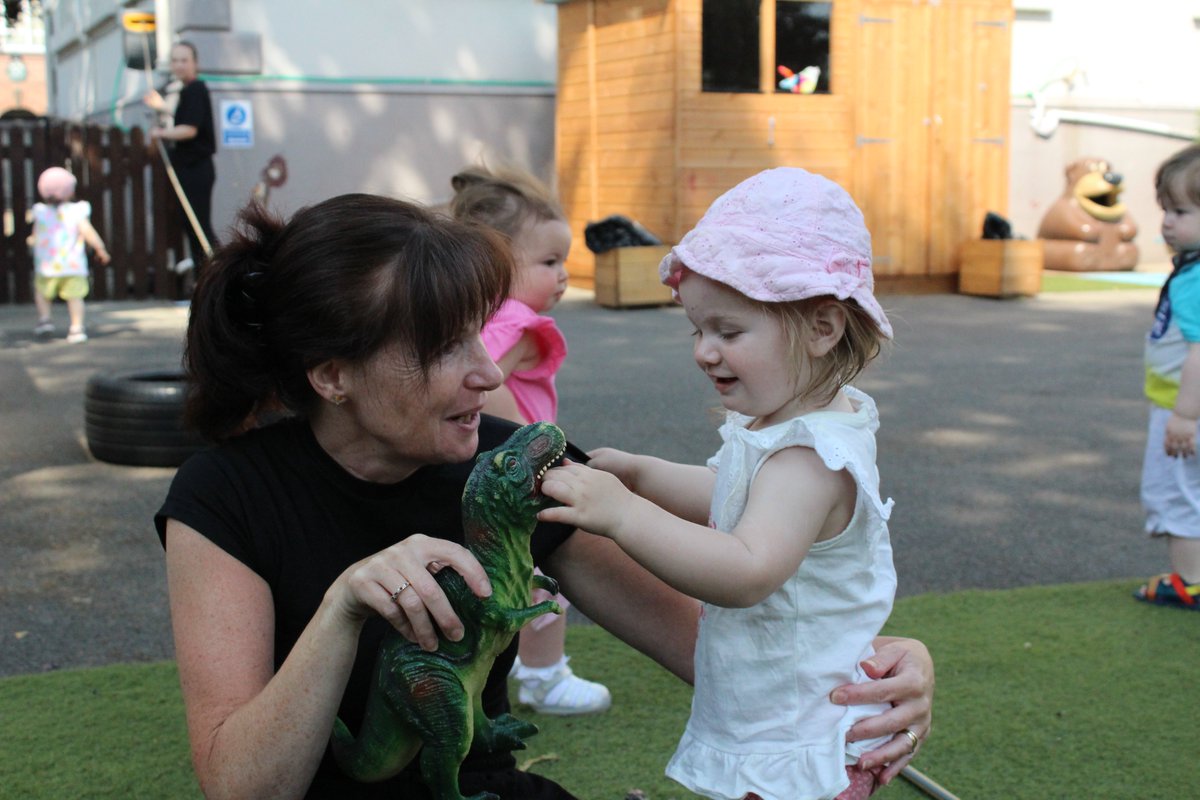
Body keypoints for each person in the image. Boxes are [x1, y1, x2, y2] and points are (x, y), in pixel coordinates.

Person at [155, 192, 934, 799]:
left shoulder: (514, 466)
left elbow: (717, 649)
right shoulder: (226, 496)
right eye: (444, 349)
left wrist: (878, 669)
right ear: (332, 374)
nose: (491, 375)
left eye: (479, 334)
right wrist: (344, 607)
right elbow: (243, 786)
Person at [539, 167, 904, 800]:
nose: (705, 352)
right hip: (779, 724)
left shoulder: (809, 456)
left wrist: (625, 513)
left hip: (797, 744)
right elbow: (732, 496)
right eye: (698, 330)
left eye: (728, 332)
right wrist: (645, 474)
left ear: (823, 328)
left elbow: (746, 569)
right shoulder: (786, 428)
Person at [449, 164, 612, 716]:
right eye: (549, 262)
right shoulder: (515, 323)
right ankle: (545, 676)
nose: (563, 275)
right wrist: (538, 460)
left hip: (489, 472)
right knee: (544, 573)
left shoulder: (477, 316)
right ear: (496, 263)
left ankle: (521, 665)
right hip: (520, 472)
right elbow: (482, 387)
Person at [1135, 143, 1200, 610]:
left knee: (1174, 494)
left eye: (1180, 211)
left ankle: (1190, 582)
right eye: (1166, 210)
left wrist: (1184, 414)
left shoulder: (1194, 279)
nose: (1167, 222)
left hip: (1184, 409)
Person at [145, 40, 216, 275]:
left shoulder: (195, 89)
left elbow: (190, 129)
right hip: (191, 166)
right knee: (192, 225)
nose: (179, 65)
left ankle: (211, 276)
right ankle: (206, 277)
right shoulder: (188, 91)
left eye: (184, 60)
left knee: (198, 226)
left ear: (195, 63)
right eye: (174, 60)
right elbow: (187, 118)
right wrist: (163, 107)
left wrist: (160, 133)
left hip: (196, 167)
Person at [29, 166, 111, 344]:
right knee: (75, 297)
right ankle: (76, 327)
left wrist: (32, 241)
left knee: (42, 293)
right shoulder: (76, 212)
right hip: (72, 266)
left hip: (46, 266)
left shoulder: (40, 212)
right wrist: (100, 247)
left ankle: (44, 319)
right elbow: (87, 231)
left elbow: (35, 235)